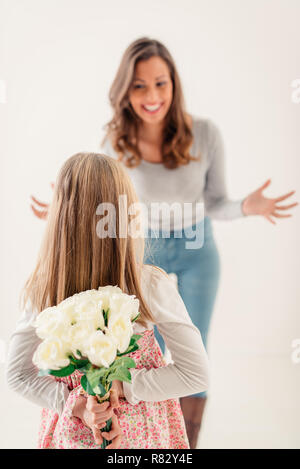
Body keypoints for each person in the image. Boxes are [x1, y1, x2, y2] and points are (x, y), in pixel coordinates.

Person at [30, 37, 298, 448]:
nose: (152, 95)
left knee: (194, 352)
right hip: (140, 253)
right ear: (125, 91)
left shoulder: (205, 135)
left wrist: (245, 206)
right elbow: (106, 203)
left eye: (161, 83)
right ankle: (133, 442)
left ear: (174, 84)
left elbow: (215, 203)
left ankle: (185, 444)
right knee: (135, 350)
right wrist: (71, 213)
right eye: (139, 85)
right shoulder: (114, 141)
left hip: (196, 250)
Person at [6, 152, 209, 449]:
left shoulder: (44, 289)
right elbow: (196, 374)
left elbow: (18, 375)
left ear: (59, 217)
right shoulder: (149, 285)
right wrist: (125, 386)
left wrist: (75, 404)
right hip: (145, 437)